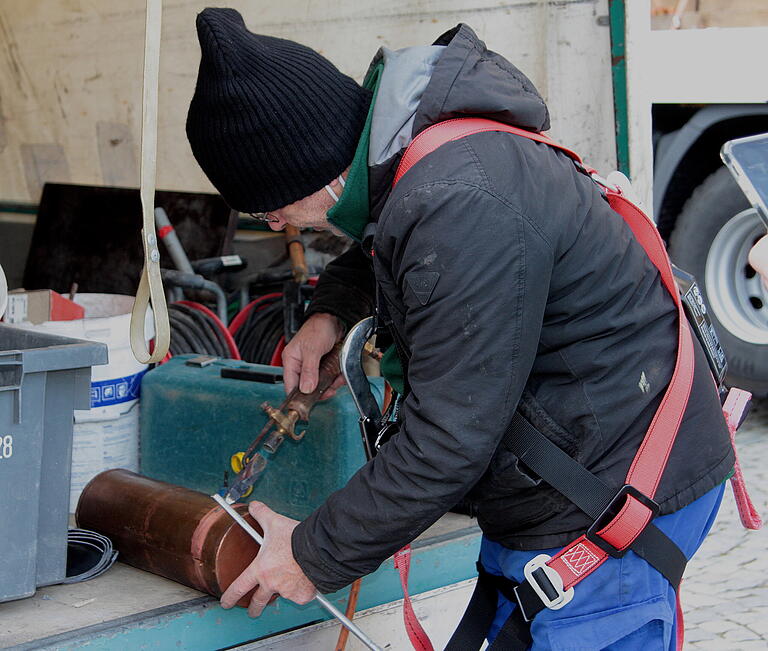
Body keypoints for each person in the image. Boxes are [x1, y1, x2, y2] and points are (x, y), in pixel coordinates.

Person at [185, 9, 735, 648]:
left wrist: (311, 553)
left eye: (270, 209)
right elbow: (380, 239)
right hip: (545, 477)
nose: (278, 228)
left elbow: (448, 438)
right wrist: (331, 313)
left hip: (613, 489)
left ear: (309, 165)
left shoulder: (463, 199)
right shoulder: (408, 158)